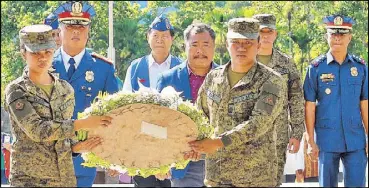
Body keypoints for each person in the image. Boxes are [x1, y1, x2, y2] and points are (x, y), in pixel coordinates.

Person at [4, 24, 112, 187]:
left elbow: (62, 136)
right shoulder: (17, 90)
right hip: (29, 180)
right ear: (23, 54)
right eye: (35, 53)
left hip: (64, 179)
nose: (42, 57)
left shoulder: (65, 89)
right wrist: (84, 123)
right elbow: (39, 131)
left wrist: (76, 148)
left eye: (47, 52)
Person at [189, 18, 287, 187]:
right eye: (236, 42)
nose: (241, 47)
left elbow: (258, 123)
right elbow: (200, 114)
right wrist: (193, 144)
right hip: (216, 176)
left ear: (258, 45)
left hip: (254, 178)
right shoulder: (214, 77)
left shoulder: (272, 81)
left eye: (248, 42)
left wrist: (218, 143)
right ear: (227, 44)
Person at [51, 1, 120, 187]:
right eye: (70, 26)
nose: (76, 31)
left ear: (88, 31)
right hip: (49, 160)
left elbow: (117, 113)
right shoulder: (45, 64)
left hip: (85, 159)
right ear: (60, 30)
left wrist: (114, 153)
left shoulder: (103, 68)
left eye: (81, 27)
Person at [303, 15, 368, 187]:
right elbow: (309, 106)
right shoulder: (315, 68)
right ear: (327, 36)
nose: (337, 38)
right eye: (333, 34)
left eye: (342, 34)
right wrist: (310, 140)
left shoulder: (360, 67)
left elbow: (365, 104)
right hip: (326, 140)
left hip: (355, 140)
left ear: (349, 37)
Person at [156, 23, 219, 187]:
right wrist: (159, 160)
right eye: (194, 45)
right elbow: (156, 122)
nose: (200, 51)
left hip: (221, 163)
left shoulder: (227, 78)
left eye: (206, 45)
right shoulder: (167, 79)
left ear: (214, 47)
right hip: (182, 164)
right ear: (185, 47)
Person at [252, 13, 305, 185]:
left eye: (270, 31)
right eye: (261, 31)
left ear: (275, 34)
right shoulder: (244, 60)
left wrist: (297, 133)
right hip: (248, 135)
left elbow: (296, 99)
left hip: (278, 135)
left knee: (274, 181)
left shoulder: (286, 63)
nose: (265, 36)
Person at [123, 14, 182, 93]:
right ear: (148, 37)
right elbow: (125, 98)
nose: (159, 40)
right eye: (155, 35)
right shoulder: (135, 67)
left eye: (164, 36)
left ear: (172, 39)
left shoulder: (182, 67)